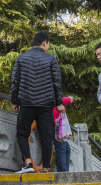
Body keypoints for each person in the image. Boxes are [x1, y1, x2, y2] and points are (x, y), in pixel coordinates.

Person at [10, 31, 63, 174]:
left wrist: (15, 101)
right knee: (47, 136)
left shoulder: (22, 58)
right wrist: (59, 102)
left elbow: (15, 81)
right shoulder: (51, 59)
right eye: (48, 44)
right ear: (45, 43)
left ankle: (27, 163)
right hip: (46, 105)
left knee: (22, 132)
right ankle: (46, 168)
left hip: (26, 103)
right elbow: (56, 82)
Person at [52, 95, 74, 172]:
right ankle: (62, 173)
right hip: (54, 122)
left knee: (67, 149)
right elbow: (57, 99)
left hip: (56, 121)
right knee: (61, 148)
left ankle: (65, 171)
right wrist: (68, 99)